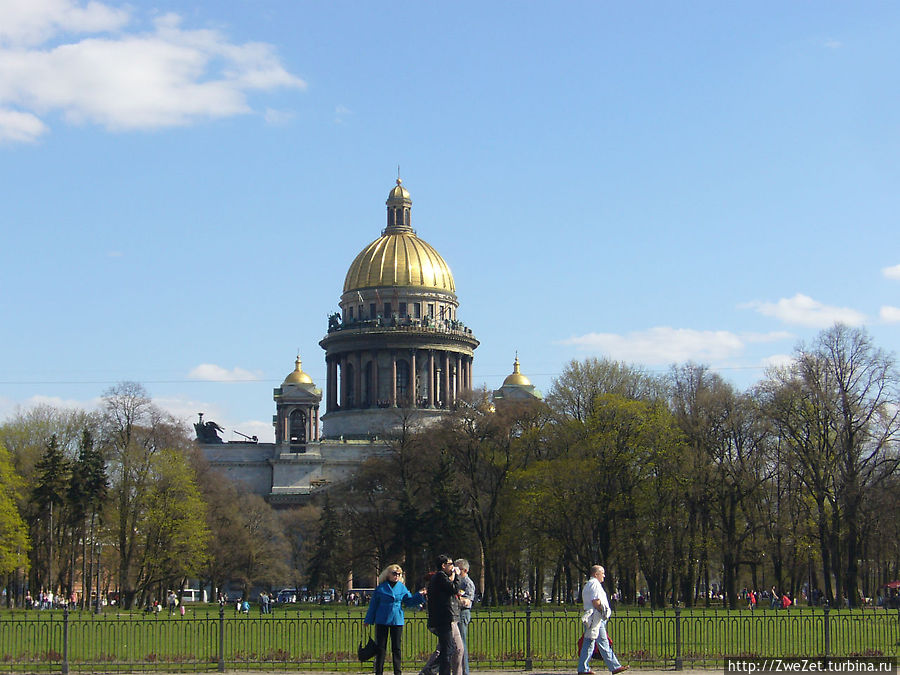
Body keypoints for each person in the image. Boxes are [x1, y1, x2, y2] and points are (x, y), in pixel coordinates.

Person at [364, 564, 424, 675]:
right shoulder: (381, 587)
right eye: (394, 573)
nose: (396, 576)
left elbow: (409, 601)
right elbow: (373, 605)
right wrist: (368, 619)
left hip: (397, 620)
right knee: (380, 648)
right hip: (382, 619)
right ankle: (379, 671)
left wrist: (419, 595)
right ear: (388, 574)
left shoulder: (401, 587)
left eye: (399, 574)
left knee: (396, 647)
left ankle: (397, 672)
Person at [578, 565, 628, 675]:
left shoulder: (587, 585)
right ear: (596, 574)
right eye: (602, 573)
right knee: (601, 643)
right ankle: (614, 667)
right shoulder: (595, 585)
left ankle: (583, 668)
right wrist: (604, 612)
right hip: (596, 618)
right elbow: (596, 602)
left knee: (589, 643)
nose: (604, 576)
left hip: (591, 617)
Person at [424, 554, 463, 675]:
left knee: (451, 648)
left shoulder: (439, 577)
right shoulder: (440, 576)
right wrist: (457, 576)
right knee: (448, 649)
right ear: (443, 565)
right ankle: (432, 669)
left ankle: (432, 669)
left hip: (443, 617)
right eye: (450, 564)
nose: (453, 567)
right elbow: (454, 588)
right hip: (443, 618)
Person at [454, 558, 476, 675]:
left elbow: (467, 601)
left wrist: (456, 597)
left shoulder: (468, 583)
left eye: (458, 569)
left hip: (463, 613)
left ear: (465, 570)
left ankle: (464, 671)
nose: (455, 571)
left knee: (461, 643)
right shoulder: (455, 581)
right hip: (455, 613)